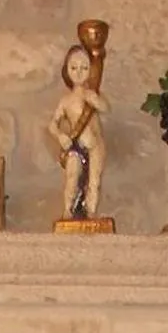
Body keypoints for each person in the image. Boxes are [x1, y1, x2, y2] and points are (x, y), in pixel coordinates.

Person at [48, 43, 109, 221]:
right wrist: (61, 136)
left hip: (95, 144)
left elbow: (105, 108)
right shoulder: (66, 100)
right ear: (66, 70)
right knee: (72, 176)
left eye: (84, 67)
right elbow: (52, 124)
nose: (79, 72)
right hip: (76, 144)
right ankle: (68, 210)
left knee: (94, 180)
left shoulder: (92, 95)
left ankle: (91, 212)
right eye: (73, 68)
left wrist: (94, 100)